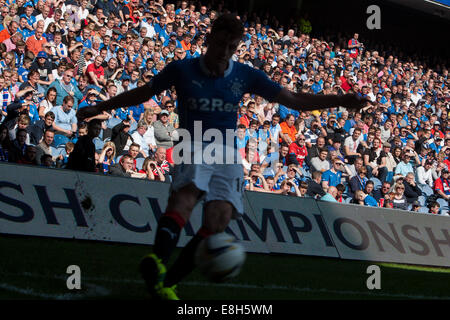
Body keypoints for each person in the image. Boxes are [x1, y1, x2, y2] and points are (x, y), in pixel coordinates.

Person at [76, 14, 366, 300]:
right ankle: (158, 260)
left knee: (218, 221)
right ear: (209, 39)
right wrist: (101, 105)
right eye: (220, 45)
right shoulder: (182, 69)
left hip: (227, 150)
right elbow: (142, 93)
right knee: (185, 200)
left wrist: (341, 100)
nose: (224, 53)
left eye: (232, 48)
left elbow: (295, 100)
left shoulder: (244, 75)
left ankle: (165, 283)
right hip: (193, 141)